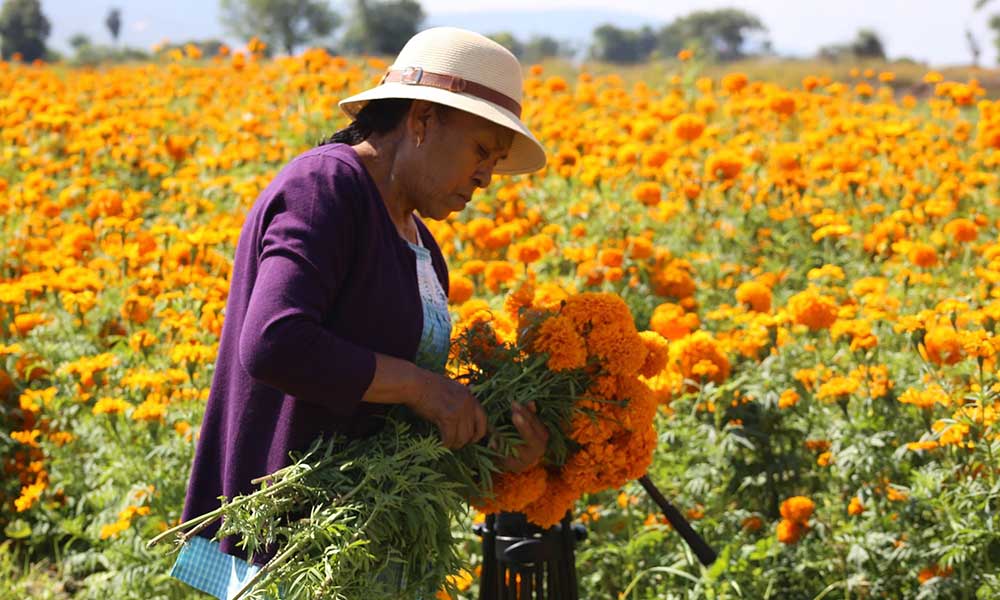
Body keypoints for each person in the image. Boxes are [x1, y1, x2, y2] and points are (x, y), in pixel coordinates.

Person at [168, 26, 551, 599]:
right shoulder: (324, 186)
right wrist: (422, 388)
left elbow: (391, 418)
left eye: (495, 162)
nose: (485, 177)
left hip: (370, 542)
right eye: (480, 150)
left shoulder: (421, 243)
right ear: (422, 120)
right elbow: (275, 341)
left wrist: (495, 449)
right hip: (292, 546)